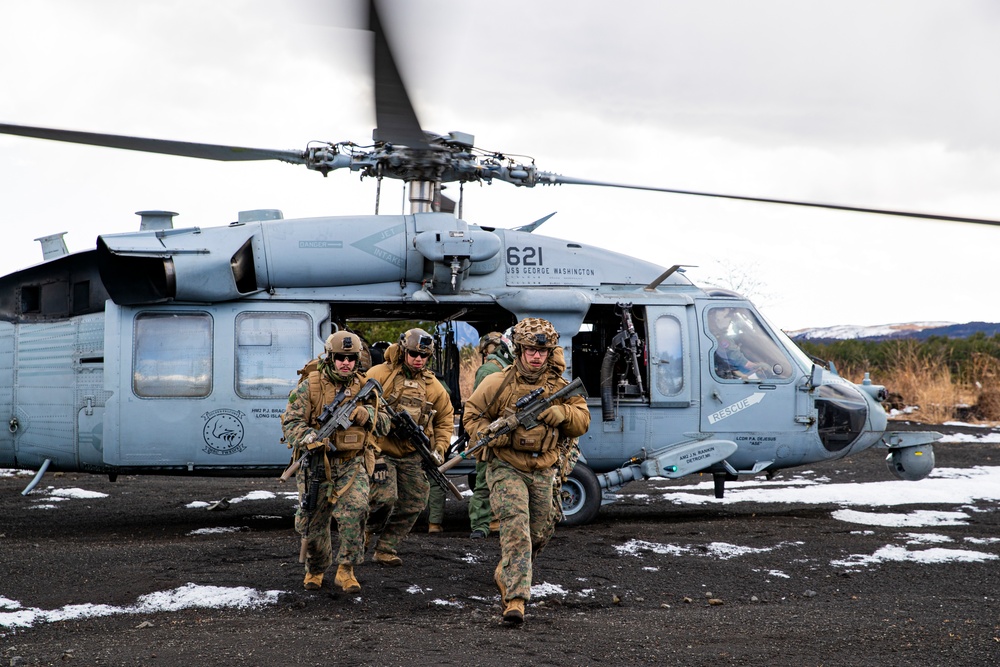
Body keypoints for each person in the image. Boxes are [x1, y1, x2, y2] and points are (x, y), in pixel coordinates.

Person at [463, 317, 590, 624]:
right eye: (531, 350)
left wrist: (558, 412)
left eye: (543, 352)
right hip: (507, 465)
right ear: (519, 350)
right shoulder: (496, 383)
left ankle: (508, 571)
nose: (536, 356)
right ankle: (515, 599)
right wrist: (494, 433)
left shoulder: (559, 387)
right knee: (516, 530)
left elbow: (582, 421)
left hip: (544, 466)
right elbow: (471, 417)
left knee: (541, 530)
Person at [281, 331, 389, 592]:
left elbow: (386, 424)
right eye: (340, 357)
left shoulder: (365, 387)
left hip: (352, 463)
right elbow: (290, 423)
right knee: (310, 522)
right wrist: (309, 437)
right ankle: (316, 569)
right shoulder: (311, 386)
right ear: (330, 357)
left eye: (351, 358)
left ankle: (346, 570)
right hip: (316, 465)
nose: (345, 363)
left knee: (356, 513)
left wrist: (367, 414)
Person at [365, 328, 454, 566]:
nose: (418, 359)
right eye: (414, 353)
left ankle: (386, 548)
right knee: (384, 499)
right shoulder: (379, 374)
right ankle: (364, 531)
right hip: (381, 449)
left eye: (424, 356)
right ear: (404, 351)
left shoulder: (434, 386)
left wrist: (441, 448)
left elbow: (445, 420)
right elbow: (360, 405)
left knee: (415, 501)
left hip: (412, 453)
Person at [467, 330, 513, 539]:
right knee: (484, 478)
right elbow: (481, 407)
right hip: (490, 432)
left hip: (505, 433)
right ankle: (480, 524)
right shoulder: (489, 370)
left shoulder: (508, 368)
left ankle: (493, 521)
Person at [708, 308, 766, 380]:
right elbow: (744, 363)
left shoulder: (711, 337)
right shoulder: (722, 339)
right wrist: (760, 366)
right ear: (717, 319)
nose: (730, 321)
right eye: (728, 317)